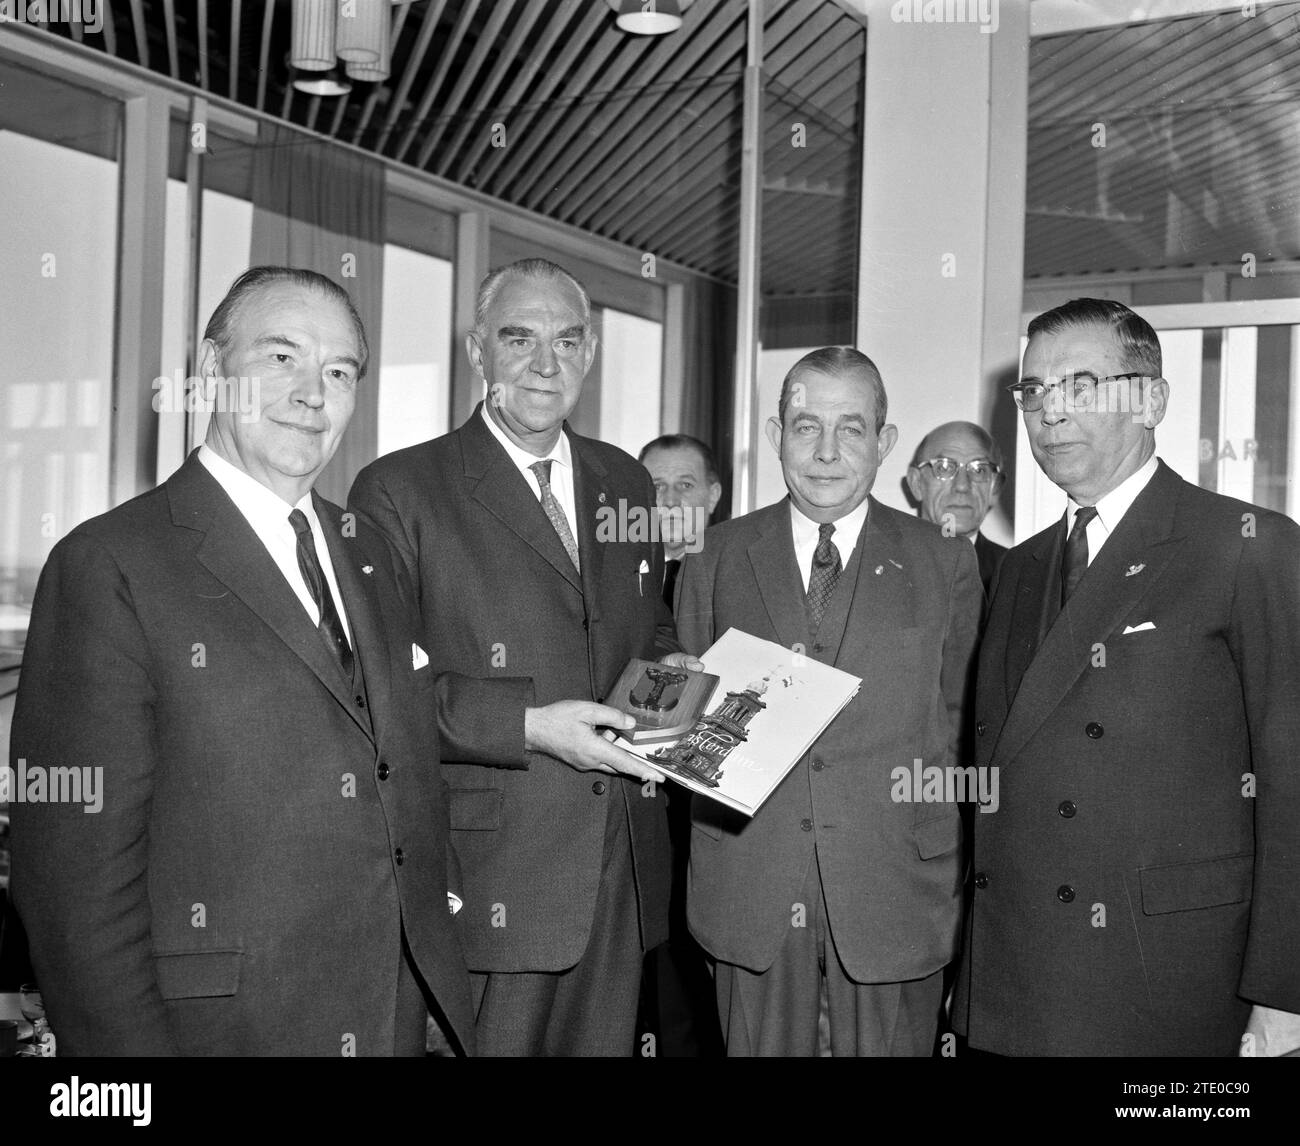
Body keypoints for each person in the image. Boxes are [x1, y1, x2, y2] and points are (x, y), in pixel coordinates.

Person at [7, 267, 473, 1056]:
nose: (312, 393)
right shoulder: (111, 564)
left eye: (339, 372)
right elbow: (71, 889)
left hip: (389, 1019)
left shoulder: (368, 553)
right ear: (212, 374)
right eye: (281, 359)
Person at [349, 257, 690, 1057]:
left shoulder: (627, 480)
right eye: (519, 339)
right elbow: (380, 687)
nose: (547, 364)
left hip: (625, 867)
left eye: (568, 342)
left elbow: (654, 637)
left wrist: (695, 701)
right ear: (477, 353)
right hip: (493, 871)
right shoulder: (399, 490)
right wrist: (532, 726)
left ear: (591, 354)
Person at [953, 298, 1300, 1056]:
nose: (1051, 412)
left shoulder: (1248, 548)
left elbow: (1293, 780)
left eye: (1082, 385)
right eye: (1035, 391)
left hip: (1169, 978)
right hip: (1018, 978)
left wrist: (1284, 994)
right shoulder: (1021, 568)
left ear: (1150, 399)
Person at [675, 346, 983, 1056]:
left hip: (895, 888)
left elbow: (964, 724)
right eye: (805, 425)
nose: (825, 451)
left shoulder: (944, 559)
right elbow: (687, 717)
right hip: (749, 886)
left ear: (885, 443)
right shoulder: (712, 558)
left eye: (851, 428)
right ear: (776, 434)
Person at [906, 420, 1007, 596]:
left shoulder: (1014, 572)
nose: (962, 485)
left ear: (995, 488)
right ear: (916, 483)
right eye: (944, 467)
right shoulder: (881, 562)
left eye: (979, 470)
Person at [639, 434, 723, 607]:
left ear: (713, 496)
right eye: (657, 486)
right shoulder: (610, 578)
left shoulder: (739, 576)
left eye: (685, 485)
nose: (670, 501)